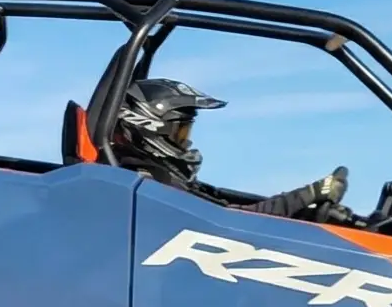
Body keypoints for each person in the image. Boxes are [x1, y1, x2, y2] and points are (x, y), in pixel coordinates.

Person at [110, 77, 357, 224]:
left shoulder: (155, 179)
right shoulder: (147, 186)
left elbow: (219, 204)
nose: (186, 141)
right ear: (148, 128)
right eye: (180, 132)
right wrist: (308, 195)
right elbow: (229, 222)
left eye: (186, 132)